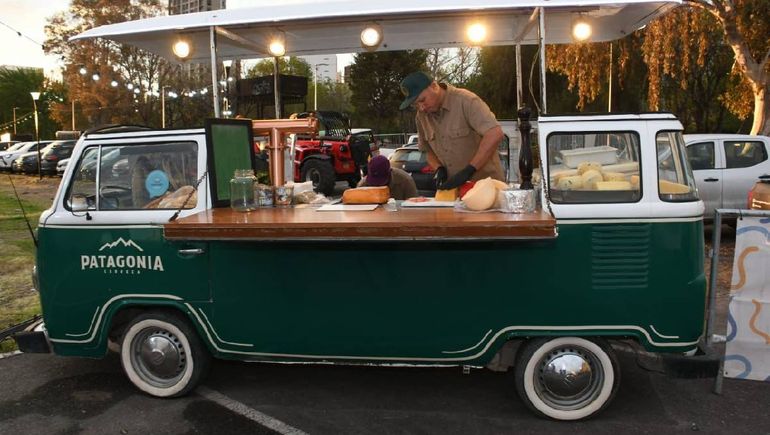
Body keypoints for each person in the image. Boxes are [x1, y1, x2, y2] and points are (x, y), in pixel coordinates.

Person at [399, 71, 505, 190]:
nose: (421, 107)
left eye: (422, 100)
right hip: (455, 190)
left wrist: (470, 169)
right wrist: (439, 168)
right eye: (416, 105)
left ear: (434, 86)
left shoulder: (466, 100)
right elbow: (427, 151)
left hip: (487, 187)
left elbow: (494, 134)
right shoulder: (421, 116)